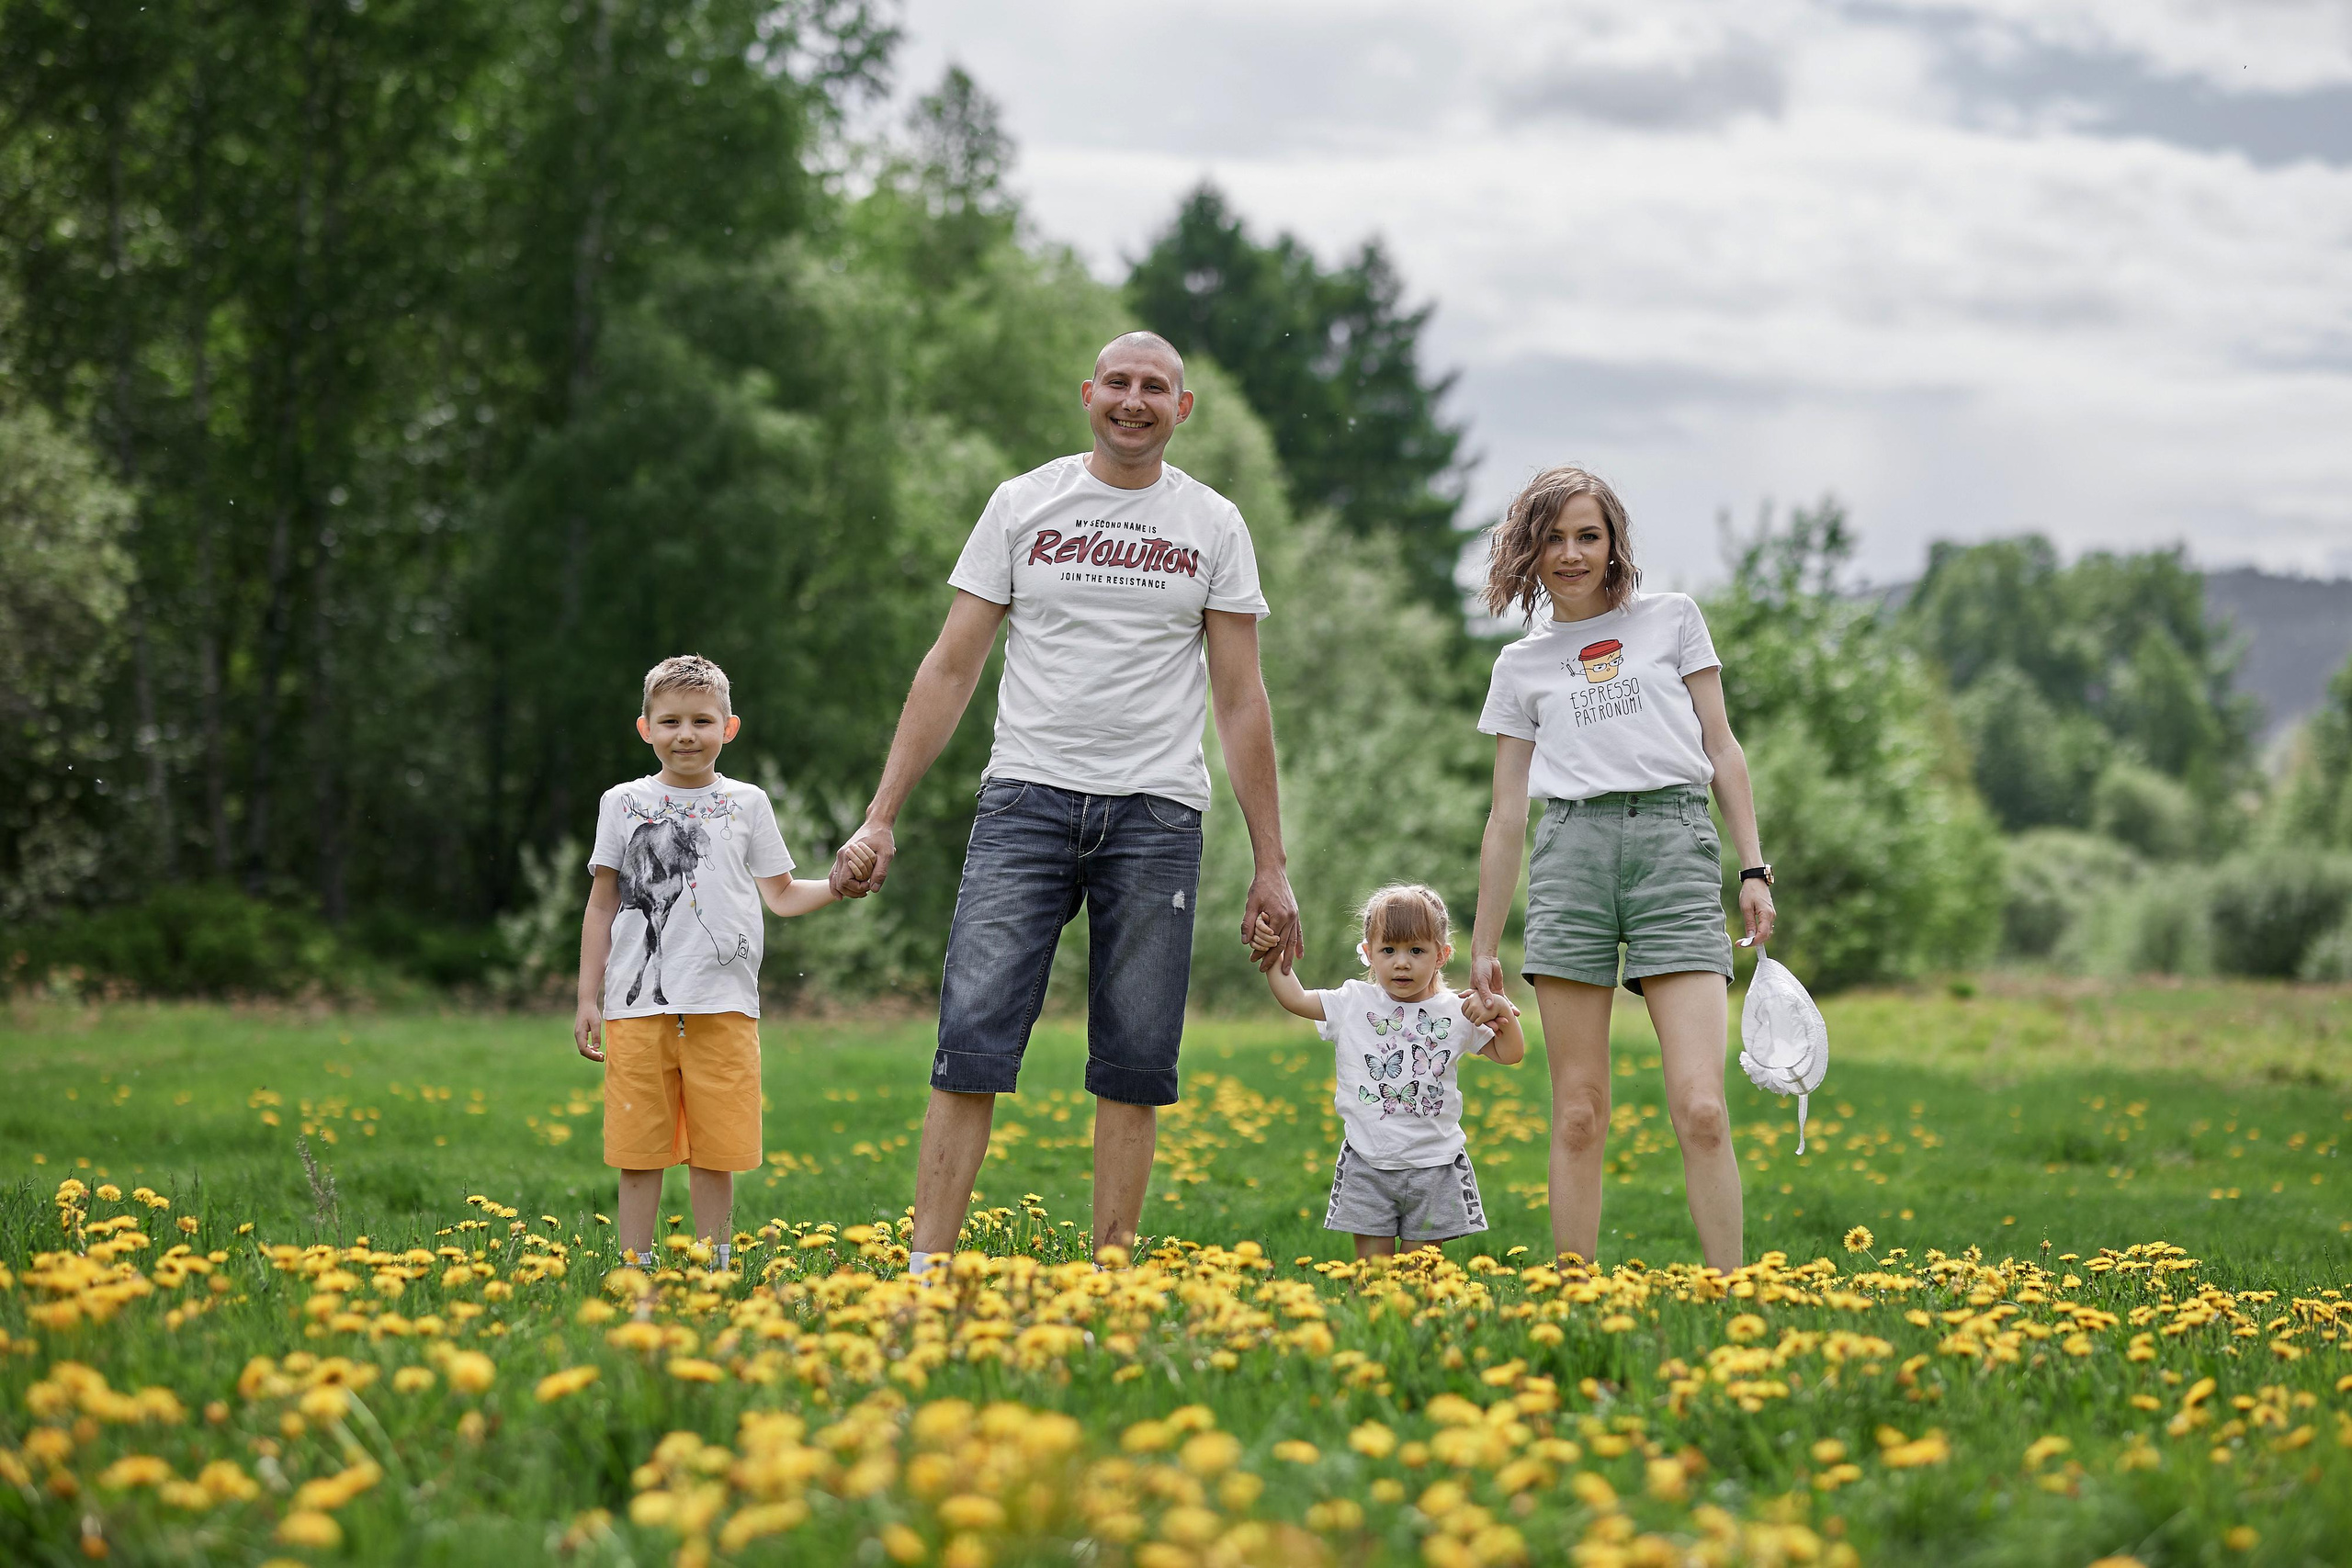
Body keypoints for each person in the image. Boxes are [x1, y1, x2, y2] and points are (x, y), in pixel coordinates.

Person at [828, 332, 1302, 1275]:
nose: (1134, 401)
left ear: (1182, 407)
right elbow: (952, 664)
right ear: (1089, 394)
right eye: (1118, 384)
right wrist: (880, 814)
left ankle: (1110, 1281)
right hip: (1024, 803)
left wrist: (1271, 864)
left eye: (1154, 388)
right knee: (969, 1039)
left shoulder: (1212, 523)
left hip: (1156, 815)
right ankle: (926, 1276)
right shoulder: (1023, 503)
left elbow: (1241, 699)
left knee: (1135, 1058)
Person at [1466, 468, 1776, 1275]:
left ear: (1614, 545)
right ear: (1530, 549)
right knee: (1578, 1113)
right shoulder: (1520, 666)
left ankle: (1731, 1296)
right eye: (1555, 537)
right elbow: (1506, 816)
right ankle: (1576, 1304)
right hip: (1571, 859)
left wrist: (1754, 865)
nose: (1571, 553)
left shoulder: (1672, 620)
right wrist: (1483, 943)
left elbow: (1722, 747)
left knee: (1702, 1108)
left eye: (1588, 536)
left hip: (1674, 849)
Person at [573, 654, 870, 1272]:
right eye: (671, 720)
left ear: (728, 728)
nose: (686, 733)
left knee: (718, 1148)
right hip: (636, 1006)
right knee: (639, 1146)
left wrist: (837, 886)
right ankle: (635, 1264)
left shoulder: (748, 804)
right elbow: (602, 904)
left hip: (725, 1006)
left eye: (702, 720)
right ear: (645, 728)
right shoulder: (621, 803)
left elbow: (782, 894)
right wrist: (587, 997)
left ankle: (716, 1264)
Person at [1251, 885, 1525, 1259]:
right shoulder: (1353, 1002)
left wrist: (1502, 1012)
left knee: (1421, 1276)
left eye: (1416, 950)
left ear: (1441, 955)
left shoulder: (1456, 1010)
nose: (1402, 962)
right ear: (1368, 953)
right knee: (1371, 1276)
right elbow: (1295, 998)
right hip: (1368, 1161)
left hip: (1435, 1164)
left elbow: (1510, 1053)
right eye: (1388, 950)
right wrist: (1273, 948)